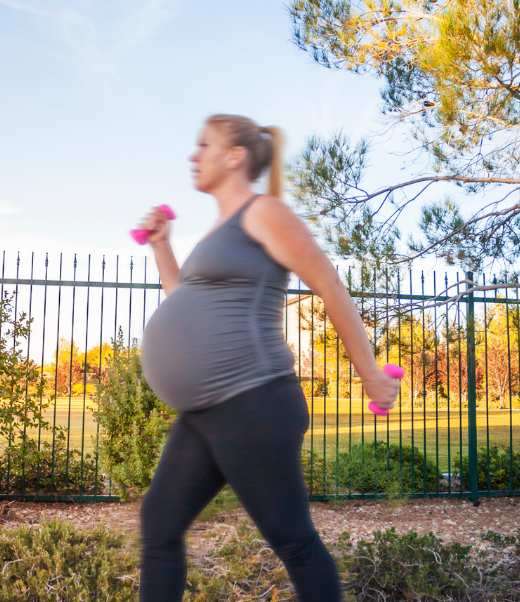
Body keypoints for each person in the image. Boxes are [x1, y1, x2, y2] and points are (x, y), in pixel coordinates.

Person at [135, 115, 400, 602]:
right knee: (159, 524)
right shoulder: (217, 232)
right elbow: (185, 301)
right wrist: (162, 246)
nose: (193, 155)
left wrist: (370, 375)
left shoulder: (264, 213)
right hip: (207, 411)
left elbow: (329, 285)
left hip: (252, 402)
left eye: (204, 145)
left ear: (234, 156)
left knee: (293, 541)